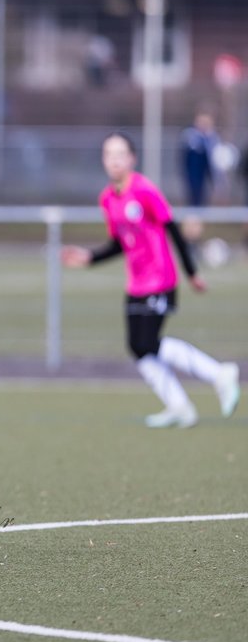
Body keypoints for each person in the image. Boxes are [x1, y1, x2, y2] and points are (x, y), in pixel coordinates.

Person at [62, 131, 240, 429]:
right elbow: (120, 243)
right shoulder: (107, 199)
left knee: (147, 342)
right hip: (136, 283)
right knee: (138, 347)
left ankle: (220, 373)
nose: (115, 160)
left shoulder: (145, 190)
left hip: (161, 279)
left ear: (132, 158)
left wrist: (192, 273)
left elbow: (173, 231)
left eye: (121, 154)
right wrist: (89, 258)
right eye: (109, 155)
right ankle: (180, 407)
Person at [179, 112, 218, 208]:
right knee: (194, 195)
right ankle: (194, 217)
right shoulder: (190, 136)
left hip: (205, 172)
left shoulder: (211, 138)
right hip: (193, 172)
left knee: (203, 195)